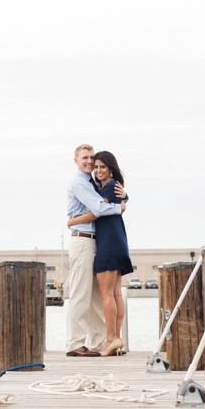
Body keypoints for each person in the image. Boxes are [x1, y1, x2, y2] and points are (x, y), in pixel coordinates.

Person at [67, 150, 133, 356]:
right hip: (86, 240)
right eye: (87, 160)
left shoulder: (99, 185)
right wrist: (120, 205)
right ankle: (77, 343)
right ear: (75, 160)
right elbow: (100, 207)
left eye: (96, 162)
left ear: (110, 168)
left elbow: (99, 208)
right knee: (85, 293)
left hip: (101, 242)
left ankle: (104, 341)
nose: (92, 165)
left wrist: (71, 221)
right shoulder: (81, 183)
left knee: (101, 295)